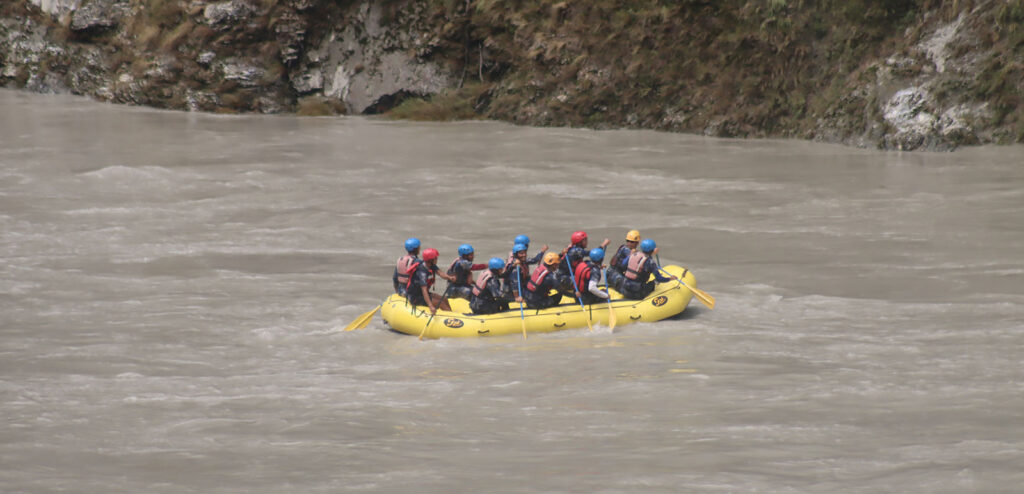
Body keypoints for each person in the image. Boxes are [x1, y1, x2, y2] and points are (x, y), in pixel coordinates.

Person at [406, 247, 456, 314]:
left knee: (444, 299)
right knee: (440, 303)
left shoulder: (432, 265)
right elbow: (424, 290)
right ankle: (451, 318)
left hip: (421, 294)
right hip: (415, 297)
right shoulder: (422, 272)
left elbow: (441, 274)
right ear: (431, 260)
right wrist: (431, 306)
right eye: (436, 258)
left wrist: (450, 278)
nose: (437, 259)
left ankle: (452, 314)